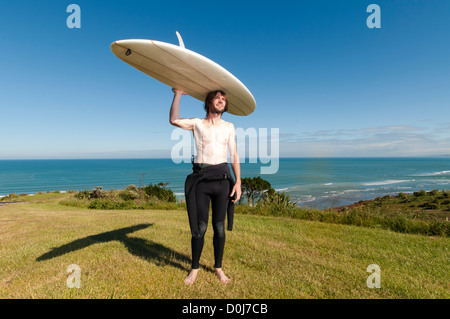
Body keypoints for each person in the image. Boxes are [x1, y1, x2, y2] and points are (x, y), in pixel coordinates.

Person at [169, 88, 242, 284]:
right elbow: (174, 120)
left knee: (219, 227)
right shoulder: (197, 124)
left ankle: (218, 268)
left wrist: (239, 183)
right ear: (208, 102)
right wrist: (177, 94)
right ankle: (194, 268)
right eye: (217, 97)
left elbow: (234, 155)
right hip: (201, 180)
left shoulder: (229, 126)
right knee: (199, 228)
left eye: (224, 99)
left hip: (222, 180)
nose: (221, 100)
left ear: (225, 105)